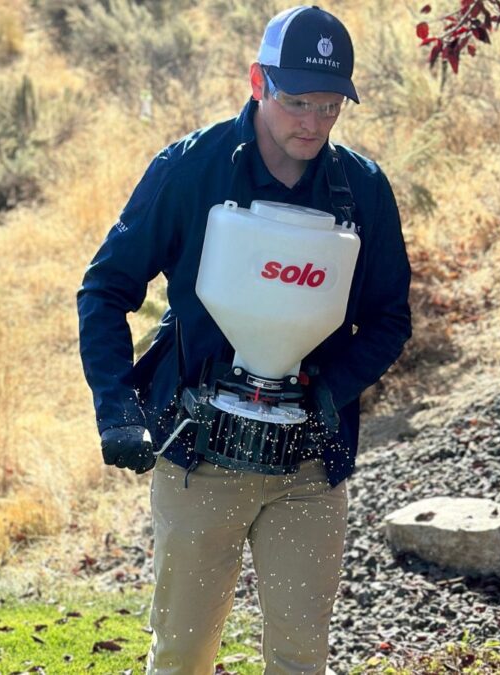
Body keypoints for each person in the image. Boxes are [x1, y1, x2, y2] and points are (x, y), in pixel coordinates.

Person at [77, 5, 411, 673]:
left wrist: (329, 388)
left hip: (310, 468)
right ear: (258, 82)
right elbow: (105, 289)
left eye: (329, 105)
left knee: (298, 658)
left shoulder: (362, 191)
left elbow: (388, 318)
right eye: (296, 101)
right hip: (199, 459)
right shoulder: (191, 170)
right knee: (182, 655)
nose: (313, 122)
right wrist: (116, 410)